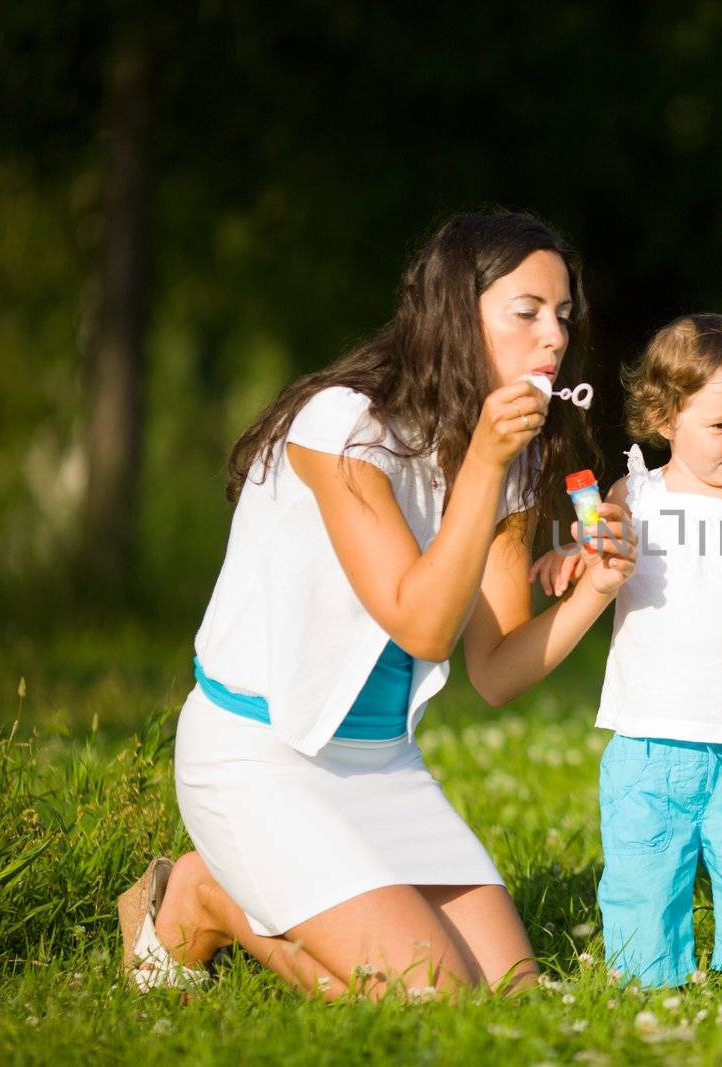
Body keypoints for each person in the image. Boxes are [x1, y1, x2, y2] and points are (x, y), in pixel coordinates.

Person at [116, 211, 638, 1000]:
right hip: (261, 754)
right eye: (526, 311)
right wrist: (484, 466)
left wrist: (598, 586)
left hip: (380, 763)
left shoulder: (516, 457)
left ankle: (242, 894)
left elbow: (495, 671)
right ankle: (210, 895)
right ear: (456, 315)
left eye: (563, 315)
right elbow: (419, 620)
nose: (554, 337)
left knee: (514, 996)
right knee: (433, 997)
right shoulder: (344, 425)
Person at [536, 314, 722, 987]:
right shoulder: (635, 491)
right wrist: (570, 554)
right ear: (665, 418)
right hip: (650, 735)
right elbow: (601, 544)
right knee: (645, 865)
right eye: (720, 425)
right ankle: (646, 973)